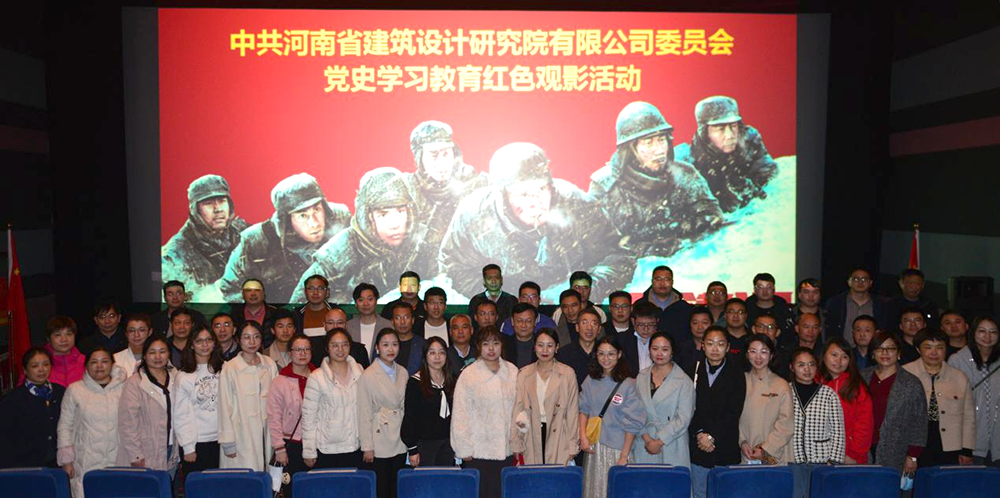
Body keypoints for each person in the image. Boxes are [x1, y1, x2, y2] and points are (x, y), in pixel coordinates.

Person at [440, 142, 636, 303]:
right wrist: (499, 300)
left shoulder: (576, 205)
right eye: (523, 194)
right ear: (504, 195)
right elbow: (453, 267)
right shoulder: (474, 216)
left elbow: (618, 256)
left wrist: (582, 292)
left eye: (541, 189)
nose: (535, 203)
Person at [590, 100, 723, 258]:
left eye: (661, 140)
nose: (659, 150)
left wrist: (685, 230)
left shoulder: (685, 174)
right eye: (648, 143)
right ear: (630, 149)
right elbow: (599, 246)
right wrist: (646, 249)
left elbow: (713, 219)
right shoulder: (605, 186)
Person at [220, 173, 351, 303]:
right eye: (303, 216)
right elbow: (231, 289)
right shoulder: (257, 241)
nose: (314, 223)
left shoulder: (342, 220)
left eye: (317, 209)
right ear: (286, 220)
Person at [304, 168, 423, 304]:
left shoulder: (424, 240)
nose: (395, 224)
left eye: (401, 211)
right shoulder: (339, 251)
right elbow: (299, 304)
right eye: (383, 215)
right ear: (368, 217)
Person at [403, 120, 489, 274]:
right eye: (433, 155)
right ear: (419, 158)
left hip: (470, 272)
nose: (442, 163)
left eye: (446, 154)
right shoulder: (407, 190)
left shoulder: (476, 184)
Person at [675, 95, 777, 212]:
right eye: (720, 129)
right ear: (705, 133)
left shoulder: (749, 142)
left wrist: (751, 187)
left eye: (733, 126)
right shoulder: (687, 163)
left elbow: (770, 175)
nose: (730, 135)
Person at [451, 326, 518, 498]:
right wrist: (463, 447)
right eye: (486, 344)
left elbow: (520, 407)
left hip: (507, 448)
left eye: (496, 343)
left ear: (502, 345)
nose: (491, 348)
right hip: (478, 450)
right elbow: (460, 414)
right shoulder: (469, 374)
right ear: (479, 346)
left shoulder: (512, 371)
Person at [161, 174, 249, 299]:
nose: (218, 209)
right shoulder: (173, 256)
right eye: (208, 203)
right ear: (195, 210)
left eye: (222, 201)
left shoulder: (246, 235)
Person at [579, 337, 645, 498]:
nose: (606, 358)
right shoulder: (590, 380)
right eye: (601, 354)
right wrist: (582, 437)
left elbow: (633, 422)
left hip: (618, 449)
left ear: (619, 354)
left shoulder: (628, 384)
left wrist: (624, 456)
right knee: (594, 491)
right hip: (594, 448)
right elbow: (584, 409)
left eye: (611, 354)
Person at [57, 347, 126, 497]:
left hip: (118, 459)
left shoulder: (124, 388)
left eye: (104, 361)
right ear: (86, 365)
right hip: (85, 460)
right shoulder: (75, 390)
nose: (99, 366)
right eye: (94, 362)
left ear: (112, 364)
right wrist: (66, 460)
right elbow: (65, 426)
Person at [903, 328, 976, 467]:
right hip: (913, 445)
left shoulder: (959, 377)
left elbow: (968, 417)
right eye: (928, 347)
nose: (934, 352)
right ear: (918, 349)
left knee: (947, 480)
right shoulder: (905, 373)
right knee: (912, 480)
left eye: (940, 347)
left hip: (950, 445)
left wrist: (967, 450)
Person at [688, 327, 746, 498]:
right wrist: (700, 434)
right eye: (710, 343)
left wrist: (712, 437)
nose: (715, 349)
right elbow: (687, 407)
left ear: (728, 347)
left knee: (725, 494)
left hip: (725, 445)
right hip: (698, 445)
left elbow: (734, 412)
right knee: (699, 494)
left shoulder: (737, 373)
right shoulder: (692, 370)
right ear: (702, 346)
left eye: (720, 344)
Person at [860, 332, 926, 476]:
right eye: (880, 348)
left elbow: (919, 423)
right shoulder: (862, 377)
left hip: (897, 451)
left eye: (890, 348)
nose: (885, 353)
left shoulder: (911, 383)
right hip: (862, 448)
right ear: (873, 353)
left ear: (898, 353)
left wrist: (913, 456)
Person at [511, 329, 580, 465]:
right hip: (531, 432)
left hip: (559, 433)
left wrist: (573, 444)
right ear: (534, 347)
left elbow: (573, 411)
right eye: (540, 345)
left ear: (557, 348)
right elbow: (518, 408)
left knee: (556, 474)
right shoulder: (524, 373)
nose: (545, 350)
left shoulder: (567, 373)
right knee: (533, 473)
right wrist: (515, 441)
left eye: (550, 345)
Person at [219, 321, 279, 471]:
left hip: (267, 432)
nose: (252, 342)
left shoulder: (269, 364)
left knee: (265, 475)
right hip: (240, 432)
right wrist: (228, 442)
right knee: (243, 477)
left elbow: (276, 401)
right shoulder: (230, 368)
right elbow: (224, 406)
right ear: (238, 339)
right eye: (246, 337)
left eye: (256, 337)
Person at [301, 329, 364, 470]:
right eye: (335, 345)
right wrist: (309, 450)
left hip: (355, 446)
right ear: (327, 348)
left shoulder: (359, 371)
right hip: (327, 449)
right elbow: (309, 417)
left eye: (344, 344)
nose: (340, 349)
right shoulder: (317, 377)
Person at [116, 336, 180, 472]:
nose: (157, 357)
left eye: (162, 351)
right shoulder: (134, 382)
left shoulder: (177, 378)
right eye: (152, 352)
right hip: (145, 451)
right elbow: (127, 422)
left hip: (171, 448)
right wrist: (136, 454)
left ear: (168, 354)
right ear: (144, 355)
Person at [358, 328, 408, 498]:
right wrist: (367, 447)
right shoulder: (368, 375)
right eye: (385, 345)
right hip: (379, 437)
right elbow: (364, 413)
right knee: (382, 488)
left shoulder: (403, 372)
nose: (391, 349)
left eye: (395, 344)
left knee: (398, 487)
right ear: (377, 348)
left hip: (399, 435)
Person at [788, 347, 844, 498]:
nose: (807, 369)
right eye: (801, 365)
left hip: (821, 461)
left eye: (811, 364)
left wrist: (834, 461)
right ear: (792, 367)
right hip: (792, 459)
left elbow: (838, 430)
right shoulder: (785, 390)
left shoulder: (828, 394)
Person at [632, 332, 695, 466]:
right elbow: (635, 411)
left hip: (672, 441)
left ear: (672, 352)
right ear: (649, 351)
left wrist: (660, 441)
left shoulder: (684, 381)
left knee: (670, 478)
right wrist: (647, 439)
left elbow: (684, 418)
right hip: (644, 441)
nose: (659, 353)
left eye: (665, 349)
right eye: (655, 349)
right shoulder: (641, 376)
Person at [174, 326, 223, 485]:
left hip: (223, 441)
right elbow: (180, 415)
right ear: (191, 345)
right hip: (197, 443)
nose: (205, 345)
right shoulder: (184, 376)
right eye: (199, 341)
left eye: (208, 340)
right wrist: (188, 447)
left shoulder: (225, 369)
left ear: (214, 343)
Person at [0, 347, 65, 468]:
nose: (41, 369)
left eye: (46, 364)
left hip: (58, 463)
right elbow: (5, 439)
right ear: (25, 370)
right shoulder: (12, 400)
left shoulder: (61, 392)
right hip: (25, 465)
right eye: (35, 366)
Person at [948, 316, 1000, 466]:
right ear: (973, 332)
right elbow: (952, 406)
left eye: (993, 332)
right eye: (982, 331)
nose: (988, 336)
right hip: (970, 441)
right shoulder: (957, 360)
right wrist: (962, 447)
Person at [267, 334, 316, 485]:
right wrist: (279, 448)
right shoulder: (280, 381)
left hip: (316, 442)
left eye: (306, 349)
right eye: (298, 350)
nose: (303, 353)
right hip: (291, 444)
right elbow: (274, 416)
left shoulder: (319, 377)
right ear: (290, 353)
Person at [817, 337, 873, 464]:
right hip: (817, 454)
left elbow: (864, 424)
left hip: (849, 455)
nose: (839, 361)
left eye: (844, 357)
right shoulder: (814, 383)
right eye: (834, 355)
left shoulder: (857, 386)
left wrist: (853, 455)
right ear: (824, 356)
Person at [739, 334, 794, 465]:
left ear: (771, 355)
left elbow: (786, 423)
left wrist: (766, 449)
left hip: (774, 455)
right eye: (753, 351)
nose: (758, 357)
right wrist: (742, 441)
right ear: (747, 354)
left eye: (764, 352)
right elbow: (733, 415)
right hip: (746, 452)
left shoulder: (781, 385)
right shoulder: (740, 381)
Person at [402, 337, 457, 466]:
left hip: (449, 443)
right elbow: (410, 417)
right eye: (432, 353)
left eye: (441, 352)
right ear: (425, 356)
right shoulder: (415, 382)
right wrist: (412, 449)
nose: (437, 357)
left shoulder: (452, 380)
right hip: (424, 445)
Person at [824, 267, 888, 346]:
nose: (860, 282)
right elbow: (830, 330)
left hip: (872, 349)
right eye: (856, 279)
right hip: (843, 350)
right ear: (849, 282)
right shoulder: (836, 303)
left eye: (864, 279)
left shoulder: (880, 304)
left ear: (870, 283)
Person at [634, 266, 694, 343]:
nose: (662, 283)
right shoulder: (639, 305)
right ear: (652, 281)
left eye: (666, 279)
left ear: (672, 282)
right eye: (658, 279)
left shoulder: (684, 308)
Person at [746, 273, 795, 346]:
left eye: (768, 287)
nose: (765, 291)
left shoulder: (783, 308)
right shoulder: (747, 308)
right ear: (755, 289)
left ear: (774, 289)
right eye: (761, 287)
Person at [556, 308, 601, 388]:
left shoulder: (605, 353)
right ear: (577, 327)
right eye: (584, 323)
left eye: (594, 323)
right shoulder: (564, 353)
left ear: (599, 329)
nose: (589, 328)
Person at [346, 283, 392, 356]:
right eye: (361, 300)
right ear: (355, 303)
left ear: (376, 301)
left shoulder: (388, 325)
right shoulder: (348, 327)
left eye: (370, 299)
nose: (366, 303)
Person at [41, 316, 85, 388]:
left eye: (69, 334)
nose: (64, 339)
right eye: (58, 335)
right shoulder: (37, 363)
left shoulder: (86, 362)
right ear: (48, 339)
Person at [620, 302, 659, 377]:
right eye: (641, 324)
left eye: (650, 324)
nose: (646, 329)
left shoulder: (664, 341)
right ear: (633, 321)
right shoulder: (622, 340)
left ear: (657, 321)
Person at [389, 302, 426, 375]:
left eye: (406, 317)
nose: (402, 322)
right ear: (392, 321)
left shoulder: (423, 345)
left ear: (412, 320)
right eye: (398, 318)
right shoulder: (384, 345)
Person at [676, 307, 712, 378]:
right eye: (695, 323)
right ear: (690, 325)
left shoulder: (716, 349)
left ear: (712, 324)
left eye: (704, 323)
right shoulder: (681, 349)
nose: (700, 327)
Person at [115, 313, 152, 378]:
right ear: (126, 333)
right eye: (132, 330)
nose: (136, 335)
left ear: (150, 332)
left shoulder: (158, 358)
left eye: (141, 330)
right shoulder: (115, 359)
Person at [503, 303, 539, 368]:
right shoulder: (503, 344)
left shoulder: (541, 344)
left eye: (528, 321)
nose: (523, 325)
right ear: (512, 321)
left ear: (535, 322)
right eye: (519, 321)